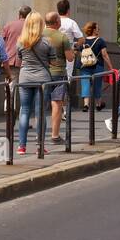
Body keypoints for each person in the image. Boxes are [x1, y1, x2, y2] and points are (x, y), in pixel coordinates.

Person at [15, 11, 55, 155]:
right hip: (43, 79)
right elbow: (53, 60)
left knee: (24, 111)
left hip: (25, 78)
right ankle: (40, 145)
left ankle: (21, 146)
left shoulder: (21, 41)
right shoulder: (46, 41)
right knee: (40, 113)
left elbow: (19, 59)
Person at [43, 11, 74, 143]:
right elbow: (70, 58)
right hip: (59, 73)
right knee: (57, 103)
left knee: (41, 104)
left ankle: (40, 136)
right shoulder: (62, 37)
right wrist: (74, 53)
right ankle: (55, 135)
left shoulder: (38, 35)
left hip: (43, 73)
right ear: (56, 22)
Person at [78, 21, 114, 111]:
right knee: (97, 85)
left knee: (85, 84)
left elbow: (80, 54)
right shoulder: (100, 41)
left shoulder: (83, 41)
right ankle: (98, 104)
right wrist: (110, 67)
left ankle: (86, 104)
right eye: (98, 28)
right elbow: (104, 55)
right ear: (94, 30)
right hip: (97, 66)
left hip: (85, 66)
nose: (99, 30)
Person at [57, 0, 84, 81]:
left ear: (58, 10)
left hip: (53, 53)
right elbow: (81, 39)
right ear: (68, 10)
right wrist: (75, 47)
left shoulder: (53, 22)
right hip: (68, 53)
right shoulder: (71, 23)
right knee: (67, 76)